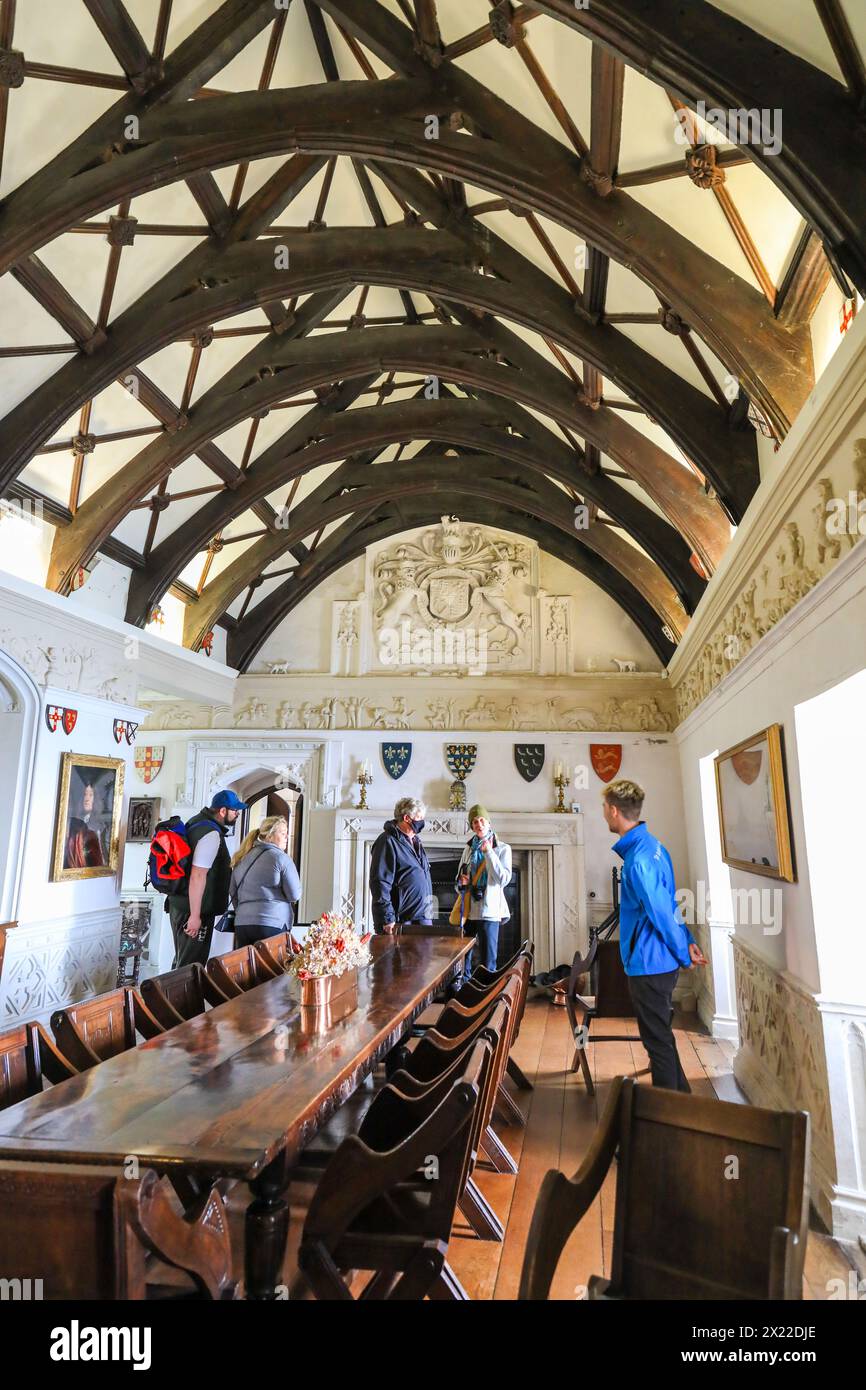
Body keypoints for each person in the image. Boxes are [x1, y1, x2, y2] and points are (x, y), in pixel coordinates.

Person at [602, 778, 707, 1092]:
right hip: (659, 960)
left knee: (657, 1043)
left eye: (605, 808)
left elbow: (662, 913)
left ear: (614, 811)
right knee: (662, 1036)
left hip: (650, 965)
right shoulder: (654, 847)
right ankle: (682, 1099)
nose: (604, 814)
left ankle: (665, 1120)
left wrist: (681, 952)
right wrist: (687, 943)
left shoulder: (639, 861)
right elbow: (670, 902)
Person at [169, 789, 246, 967]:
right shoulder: (210, 834)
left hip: (180, 904)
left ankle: (171, 994)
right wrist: (195, 916)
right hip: (194, 910)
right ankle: (183, 996)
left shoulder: (195, 823)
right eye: (235, 810)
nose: (237, 814)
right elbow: (198, 875)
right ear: (222, 811)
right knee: (191, 965)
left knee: (182, 961)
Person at [229, 814, 302, 948]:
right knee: (272, 969)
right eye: (283, 833)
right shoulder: (281, 858)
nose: (287, 837)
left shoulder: (241, 857)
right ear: (269, 835)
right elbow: (294, 895)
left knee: (248, 968)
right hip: (272, 923)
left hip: (242, 924)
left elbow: (233, 891)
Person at [455, 805, 512, 975]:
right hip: (469, 912)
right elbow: (458, 882)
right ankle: (464, 995)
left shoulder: (502, 849)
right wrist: (462, 883)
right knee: (463, 959)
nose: (478, 824)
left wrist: (489, 853)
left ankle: (488, 999)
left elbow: (503, 879)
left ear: (488, 823)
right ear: (471, 827)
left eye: (481, 820)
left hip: (490, 912)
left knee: (488, 962)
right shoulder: (468, 849)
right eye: (474, 821)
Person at [369, 796, 433, 934]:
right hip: (400, 920)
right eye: (419, 818)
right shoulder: (387, 841)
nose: (422, 822)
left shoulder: (415, 840)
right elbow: (380, 883)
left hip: (422, 916)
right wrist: (387, 918)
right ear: (406, 818)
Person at [65, 781, 107, 869]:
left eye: (90, 795)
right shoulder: (75, 822)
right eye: (85, 794)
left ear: (95, 799)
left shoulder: (99, 825)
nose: (87, 798)